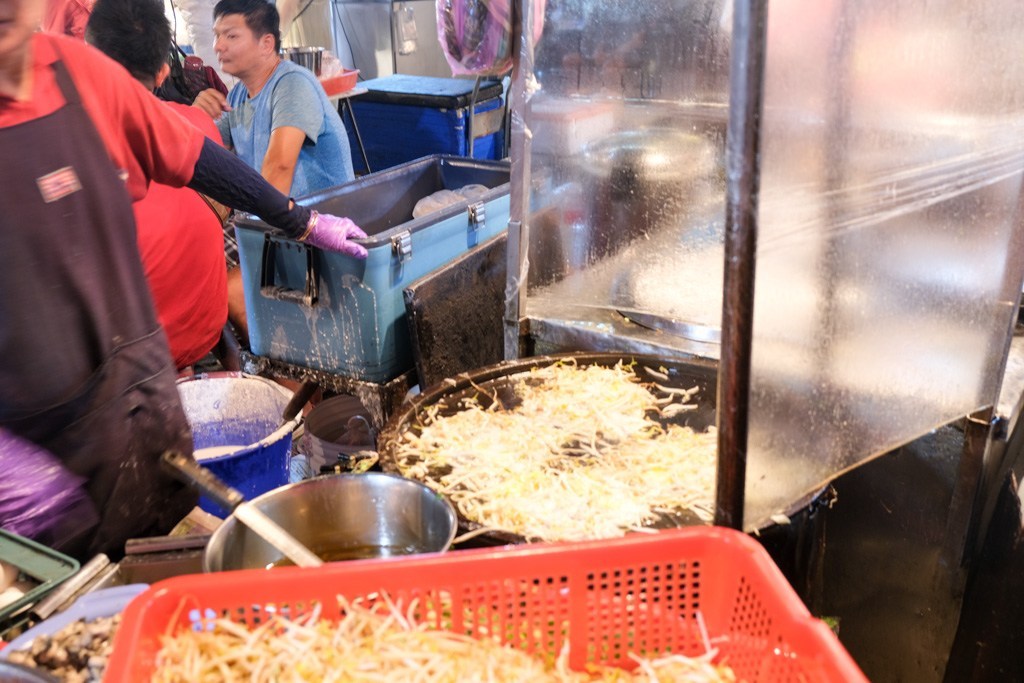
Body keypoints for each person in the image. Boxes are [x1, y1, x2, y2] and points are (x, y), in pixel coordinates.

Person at [0, 0, 367, 561]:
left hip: (143, 403)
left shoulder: (81, 72)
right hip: (36, 452)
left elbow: (194, 155)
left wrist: (302, 221)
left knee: (189, 574)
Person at [192, 0, 355, 343]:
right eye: (217, 36)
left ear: (266, 43)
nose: (218, 46)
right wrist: (196, 114)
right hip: (273, 219)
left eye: (231, 36)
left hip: (312, 229)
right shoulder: (240, 95)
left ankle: (289, 365)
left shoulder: (292, 85)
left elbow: (278, 169)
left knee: (230, 290)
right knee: (191, 261)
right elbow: (206, 154)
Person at [85, 0, 228, 371]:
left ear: (86, 65)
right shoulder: (200, 122)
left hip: (129, 361)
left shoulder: (75, 145)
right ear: (163, 72)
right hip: (204, 330)